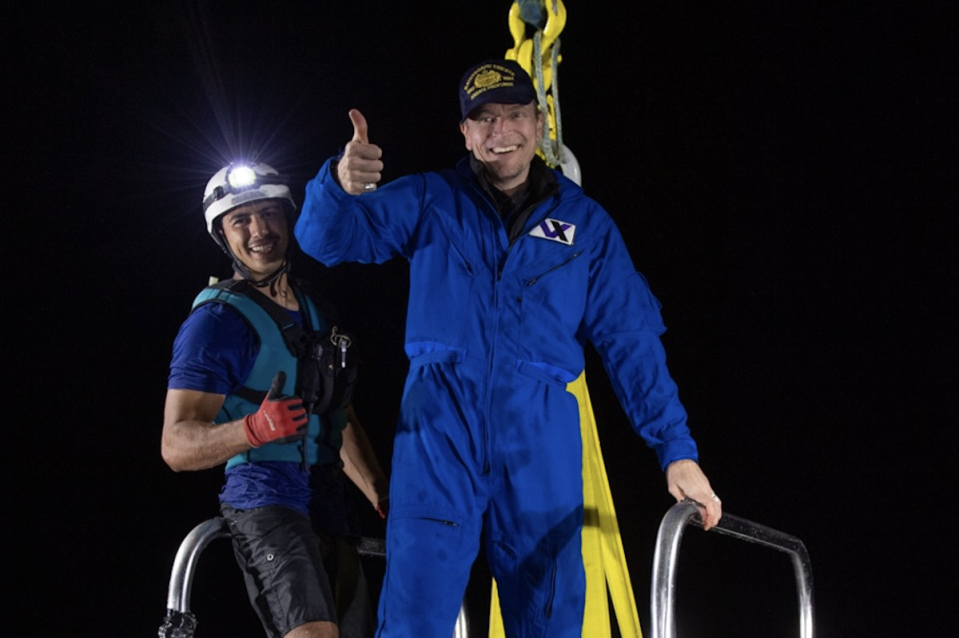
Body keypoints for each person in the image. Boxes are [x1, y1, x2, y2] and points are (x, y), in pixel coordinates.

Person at [294, 59, 722, 638]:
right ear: (465, 132)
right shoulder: (429, 200)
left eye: (516, 114)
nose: (503, 131)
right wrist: (338, 187)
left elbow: (631, 342)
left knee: (548, 617)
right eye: (485, 119)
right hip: (437, 434)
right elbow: (326, 240)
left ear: (540, 121)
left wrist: (677, 449)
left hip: (540, 438)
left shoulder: (586, 225)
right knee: (414, 618)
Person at [161, 162, 389, 638]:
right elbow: (176, 446)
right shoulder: (216, 323)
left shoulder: (317, 310)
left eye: (269, 214)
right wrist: (252, 429)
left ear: (288, 219)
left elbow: (338, 415)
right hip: (264, 496)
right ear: (223, 235)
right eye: (241, 220)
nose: (259, 230)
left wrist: (380, 493)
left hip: (329, 499)